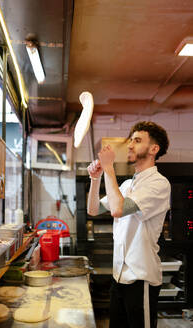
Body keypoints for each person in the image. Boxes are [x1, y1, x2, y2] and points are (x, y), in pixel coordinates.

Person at [87, 121, 171, 328]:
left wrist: (108, 168)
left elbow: (117, 209)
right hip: (119, 276)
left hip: (140, 278)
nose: (130, 145)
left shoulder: (159, 183)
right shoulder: (126, 185)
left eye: (137, 140)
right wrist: (95, 178)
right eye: (131, 140)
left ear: (154, 149)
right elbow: (93, 210)